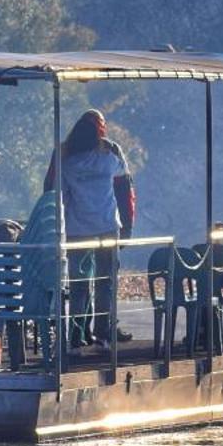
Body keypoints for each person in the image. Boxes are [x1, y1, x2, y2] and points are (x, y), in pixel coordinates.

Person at [44, 109, 135, 347]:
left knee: (79, 284)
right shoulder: (108, 157)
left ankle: (76, 333)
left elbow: (56, 192)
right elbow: (126, 182)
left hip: (78, 228)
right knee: (106, 280)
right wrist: (128, 224)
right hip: (107, 225)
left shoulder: (68, 162)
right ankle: (104, 329)